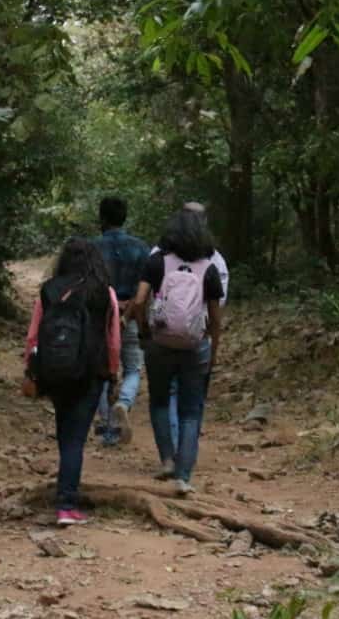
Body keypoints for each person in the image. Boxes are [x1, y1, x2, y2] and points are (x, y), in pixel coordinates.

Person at [23, 238, 121, 525]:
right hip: (91, 374)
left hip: (55, 372)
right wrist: (112, 373)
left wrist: (31, 370)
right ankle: (67, 504)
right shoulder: (105, 293)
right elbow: (113, 340)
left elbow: (33, 336)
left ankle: (64, 495)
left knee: (66, 434)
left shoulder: (49, 290)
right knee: (75, 439)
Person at [133, 210, 224, 495]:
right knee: (190, 411)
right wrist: (214, 347)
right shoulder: (209, 268)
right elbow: (215, 316)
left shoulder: (157, 262)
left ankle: (167, 461)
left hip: (159, 343)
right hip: (195, 346)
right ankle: (184, 476)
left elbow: (138, 301)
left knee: (159, 402)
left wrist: (145, 330)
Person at [150, 201, 229, 448]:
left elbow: (147, 294)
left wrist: (148, 328)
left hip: (162, 335)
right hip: (198, 337)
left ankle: (171, 450)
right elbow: (220, 302)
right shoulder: (214, 260)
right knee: (193, 400)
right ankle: (186, 452)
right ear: (204, 222)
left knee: (166, 394)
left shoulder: (158, 254)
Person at [93, 197, 149, 446]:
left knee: (100, 370)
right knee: (133, 367)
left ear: (101, 218)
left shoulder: (91, 249)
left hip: (99, 317)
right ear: (124, 217)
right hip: (130, 314)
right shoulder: (140, 248)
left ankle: (108, 430)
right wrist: (133, 317)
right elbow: (145, 290)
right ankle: (124, 402)